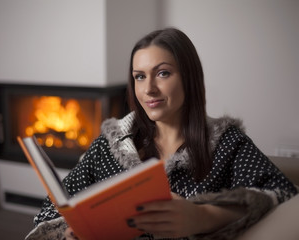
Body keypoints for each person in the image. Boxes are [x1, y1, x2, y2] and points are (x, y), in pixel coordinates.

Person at [25, 28, 297, 240]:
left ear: (189, 78)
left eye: (163, 73)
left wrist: (202, 216)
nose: (148, 90)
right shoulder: (109, 146)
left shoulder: (226, 144)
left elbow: (281, 193)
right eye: (139, 76)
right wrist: (70, 233)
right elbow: (52, 209)